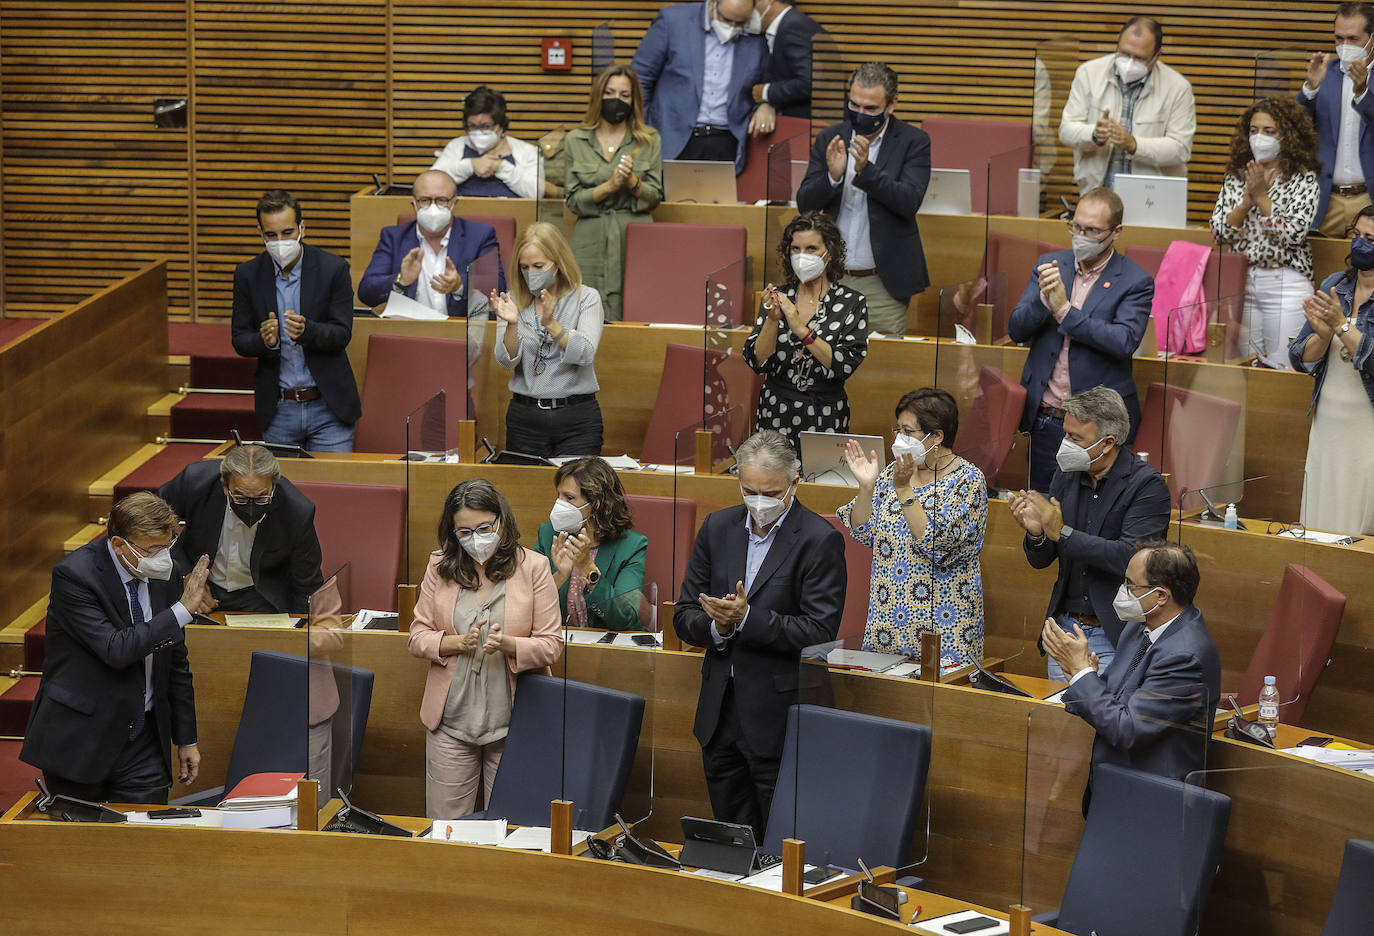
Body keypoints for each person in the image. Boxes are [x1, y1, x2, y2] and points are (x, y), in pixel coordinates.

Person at [673, 430, 845, 837]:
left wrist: (748, 619)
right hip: (719, 715)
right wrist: (717, 625)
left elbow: (819, 629)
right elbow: (683, 614)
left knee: (779, 844)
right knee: (732, 844)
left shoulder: (820, 540)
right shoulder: (718, 527)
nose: (759, 502)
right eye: (749, 491)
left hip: (779, 717)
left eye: (770, 493)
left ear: (795, 481)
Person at [20, 492, 212, 804]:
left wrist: (186, 738)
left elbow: (175, 661)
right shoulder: (75, 576)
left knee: (145, 843)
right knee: (81, 846)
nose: (162, 557)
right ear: (119, 545)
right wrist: (181, 611)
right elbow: (116, 649)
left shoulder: (167, 574)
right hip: (81, 736)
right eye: (152, 550)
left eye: (167, 546)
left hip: (145, 739)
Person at [407, 479, 564, 819]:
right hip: (451, 720)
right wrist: (456, 643)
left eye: (482, 528)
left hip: (514, 721)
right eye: (463, 532)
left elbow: (552, 645)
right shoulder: (440, 566)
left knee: (511, 828)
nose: (474, 539)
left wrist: (507, 644)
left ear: (501, 521)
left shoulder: (534, 568)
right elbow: (417, 635)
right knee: (446, 832)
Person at [1008, 386, 1171, 682]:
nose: (1064, 444)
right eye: (1065, 434)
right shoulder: (1066, 474)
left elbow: (1130, 559)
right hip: (1066, 631)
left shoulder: (1147, 487)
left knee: (1102, 724)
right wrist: (1037, 535)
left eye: (1074, 438)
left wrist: (1061, 532)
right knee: (1060, 725)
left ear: (1108, 442)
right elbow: (1043, 559)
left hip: (1115, 636)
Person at [1007, 186, 1153, 493]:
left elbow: (1124, 340)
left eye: (1092, 230)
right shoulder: (1050, 265)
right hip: (1048, 418)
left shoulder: (1135, 281)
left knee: (1093, 513)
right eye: (1077, 226)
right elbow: (1016, 329)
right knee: (1042, 510)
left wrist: (1063, 309)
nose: (1081, 236)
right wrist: (1044, 304)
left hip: (1097, 426)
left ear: (1116, 232)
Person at [1044, 540, 1220, 787]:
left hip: (1151, 798)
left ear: (1160, 595)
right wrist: (1085, 674)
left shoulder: (1185, 656)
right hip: (1116, 779)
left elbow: (1127, 728)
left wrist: (1081, 674)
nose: (1122, 590)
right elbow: (1116, 698)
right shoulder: (1139, 628)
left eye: (1130, 584)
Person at [838, 389, 988, 667]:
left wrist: (904, 489)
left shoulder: (967, 481)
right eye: (898, 430)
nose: (899, 440)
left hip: (944, 634)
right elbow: (862, 531)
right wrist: (867, 487)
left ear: (937, 436)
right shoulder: (891, 474)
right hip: (887, 631)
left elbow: (937, 546)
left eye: (908, 431)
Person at [795, 62, 930, 335]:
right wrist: (832, 177)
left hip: (882, 283)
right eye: (854, 105)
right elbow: (805, 203)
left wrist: (865, 172)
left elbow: (909, 201)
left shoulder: (913, 142)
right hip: (829, 275)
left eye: (870, 109)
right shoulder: (830, 138)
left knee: (881, 367)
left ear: (891, 105)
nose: (860, 114)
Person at [231, 189, 361, 452]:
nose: (280, 241)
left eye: (287, 232)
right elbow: (239, 339)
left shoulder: (333, 269)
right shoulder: (248, 274)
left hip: (328, 407)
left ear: (302, 228)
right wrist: (263, 340)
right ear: (261, 233)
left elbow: (342, 333)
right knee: (284, 491)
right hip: (279, 409)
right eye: (271, 235)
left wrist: (307, 331)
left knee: (333, 488)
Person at [742, 211, 868, 450]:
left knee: (821, 483)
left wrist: (800, 329)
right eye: (795, 249)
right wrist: (772, 319)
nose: (802, 257)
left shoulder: (852, 302)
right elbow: (758, 361)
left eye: (811, 249)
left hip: (826, 412)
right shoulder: (779, 296)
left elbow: (845, 364)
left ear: (829, 252)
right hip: (776, 409)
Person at [1210, 97, 1321, 365]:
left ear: (1288, 136)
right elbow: (1219, 234)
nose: (1259, 138)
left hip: (1286, 283)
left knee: (1283, 366)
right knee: (1247, 366)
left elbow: (1293, 235)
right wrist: (1245, 204)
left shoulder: (1303, 180)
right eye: (1254, 130)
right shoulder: (1237, 176)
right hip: (1243, 281)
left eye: (1269, 132)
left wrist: (1262, 197)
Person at [157, 443, 323, 614]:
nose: (250, 508)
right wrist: (183, 575)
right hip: (200, 584)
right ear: (224, 486)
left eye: (261, 498)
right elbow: (152, 523)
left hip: (260, 595)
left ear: (273, 487)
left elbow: (307, 583)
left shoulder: (296, 510)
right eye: (241, 498)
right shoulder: (195, 482)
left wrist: (300, 632)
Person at [1289, 204, 1374, 535]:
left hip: (1366, 426)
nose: (1360, 244)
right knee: (1320, 516)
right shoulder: (1335, 284)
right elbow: (1299, 355)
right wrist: (1322, 338)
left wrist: (1339, 326)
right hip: (1328, 422)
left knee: (1358, 520)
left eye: (1370, 238)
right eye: (1356, 235)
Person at [491, 221, 605, 458]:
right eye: (525, 267)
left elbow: (585, 353)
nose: (531, 274)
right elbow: (506, 362)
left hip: (577, 418)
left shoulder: (586, 298)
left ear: (558, 263)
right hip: (525, 418)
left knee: (578, 491)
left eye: (538, 266)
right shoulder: (512, 301)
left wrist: (552, 324)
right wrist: (512, 324)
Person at [564, 64, 664, 322]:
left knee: (637, 309)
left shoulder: (649, 139)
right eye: (609, 93)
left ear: (634, 101)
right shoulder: (576, 139)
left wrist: (631, 181)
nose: (615, 100)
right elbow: (573, 200)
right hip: (590, 235)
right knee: (583, 313)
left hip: (635, 234)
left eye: (624, 95)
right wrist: (609, 186)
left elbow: (654, 197)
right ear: (599, 95)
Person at [1058, 15, 1196, 194]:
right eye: (1124, 53)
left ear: (1157, 55)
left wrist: (1134, 144)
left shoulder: (1178, 88)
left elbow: (1180, 149)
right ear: (1118, 43)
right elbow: (1066, 130)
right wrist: (1094, 134)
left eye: (1139, 58)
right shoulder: (1088, 73)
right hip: (1096, 194)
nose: (1129, 63)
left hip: (1151, 198)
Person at [630, 0, 767, 172]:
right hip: (671, 136)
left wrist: (766, 104)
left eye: (739, 23)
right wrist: (643, 129)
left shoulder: (755, 31)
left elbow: (767, 80)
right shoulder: (673, 20)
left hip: (726, 142)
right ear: (713, 4)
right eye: (726, 19)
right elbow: (640, 78)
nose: (732, 27)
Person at [356, 169, 507, 317]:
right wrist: (401, 280)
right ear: (414, 203)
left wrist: (460, 285)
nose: (433, 207)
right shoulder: (393, 237)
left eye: (441, 200)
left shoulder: (480, 235)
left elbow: (498, 287)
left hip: (459, 332)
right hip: (409, 331)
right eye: (425, 200)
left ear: (454, 202)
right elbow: (366, 293)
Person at [535, 457, 649, 631]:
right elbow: (530, 607)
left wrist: (587, 568)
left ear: (597, 504)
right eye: (558, 496)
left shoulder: (631, 546)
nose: (559, 505)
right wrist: (561, 575)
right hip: (559, 646)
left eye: (569, 497)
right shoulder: (548, 534)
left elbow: (624, 619)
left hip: (610, 650)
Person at [1299, 2, 1374, 235]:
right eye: (1338, 39)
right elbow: (1294, 127)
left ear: (1372, 39)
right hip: (1325, 199)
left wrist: (1363, 93)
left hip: (1368, 200)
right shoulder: (1325, 73)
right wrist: (1310, 89)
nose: (1345, 46)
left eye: (1353, 39)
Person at [431, 85, 544, 199]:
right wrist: (470, 166)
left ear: (500, 125)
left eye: (486, 126)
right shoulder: (456, 147)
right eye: (473, 126)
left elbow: (538, 193)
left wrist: (500, 167)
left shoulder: (526, 151)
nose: (479, 132)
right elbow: (431, 185)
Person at [746, 0, 823, 123]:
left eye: (753, 4)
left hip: (810, 124)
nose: (747, 11)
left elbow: (811, 82)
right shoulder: (782, 26)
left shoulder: (793, 26)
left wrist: (767, 92)